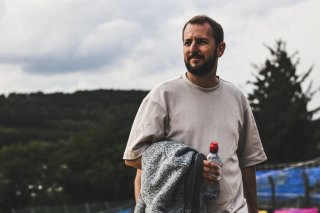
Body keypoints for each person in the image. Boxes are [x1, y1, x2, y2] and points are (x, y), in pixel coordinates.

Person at [123, 15, 267, 213]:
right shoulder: (162, 96)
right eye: (187, 42)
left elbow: (248, 162)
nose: (192, 49)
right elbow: (134, 158)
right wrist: (191, 166)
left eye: (201, 42)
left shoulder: (236, 97)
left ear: (220, 49)